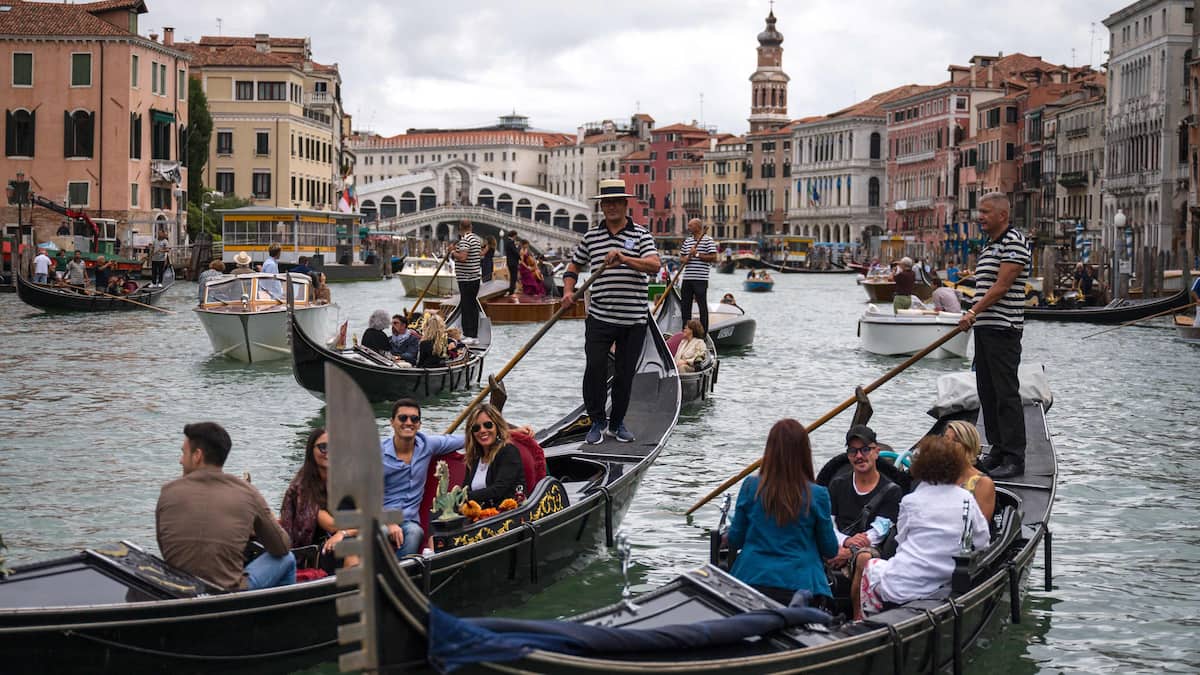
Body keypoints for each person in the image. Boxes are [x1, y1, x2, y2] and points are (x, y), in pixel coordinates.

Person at [561, 178, 660, 445]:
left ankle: (616, 424)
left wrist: (624, 258)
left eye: (616, 202)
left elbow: (654, 265)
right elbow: (573, 267)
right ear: (602, 206)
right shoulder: (591, 237)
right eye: (607, 203)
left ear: (625, 204)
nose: (612, 207)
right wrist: (568, 291)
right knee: (594, 368)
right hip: (600, 316)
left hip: (633, 319)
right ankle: (597, 421)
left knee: (624, 375)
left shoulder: (641, 235)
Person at [858, 435, 989, 618]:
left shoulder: (911, 501)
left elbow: (901, 541)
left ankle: (861, 619)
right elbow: (983, 541)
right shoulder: (966, 498)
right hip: (945, 580)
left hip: (903, 585)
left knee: (870, 566)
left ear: (921, 466)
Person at [156, 422, 295, 591]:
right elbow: (282, 547)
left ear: (197, 455)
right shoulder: (248, 492)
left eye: (183, 453)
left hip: (178, 589)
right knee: (288, 558)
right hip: (228, 592)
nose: (180, 460)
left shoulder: (168, 492)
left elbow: (165, 547)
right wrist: (256, 523)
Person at [726, 419, 839, 607]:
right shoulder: (818, 495)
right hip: (802, 585)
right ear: (804, 452)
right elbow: (830, 549)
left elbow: (735, 539)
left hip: (751, 578)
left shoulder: (750, 486)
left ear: (769, 451)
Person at [957, 192, 1031, 480]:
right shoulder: (989, 245)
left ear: (1003, 215)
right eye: (980, 211)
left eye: (986, 212)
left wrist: (972, 311)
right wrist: (976, 316)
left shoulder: (1014, 241)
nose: (980, 217)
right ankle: (998, 450)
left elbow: (1002, 286)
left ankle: (1014, 457)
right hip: (985, 328)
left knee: (1005, 393)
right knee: (987, 392)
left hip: (1004, 328)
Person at [827, 424, 903, 617]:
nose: (859, 456)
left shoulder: (892, 491)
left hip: (871, 547)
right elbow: (829, 523)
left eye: (865, 450)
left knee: (864, 558)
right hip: (839, 541)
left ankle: (858, 618)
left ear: (876, 452)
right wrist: (843, 542)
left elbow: (880, 531)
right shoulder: (837, 484)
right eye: (853, 451)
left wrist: (850, 549)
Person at [382, 399, 465, 555]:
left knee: (415, 532)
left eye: (414, 419)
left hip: (409, 522)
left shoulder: (427, 445)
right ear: (392, 422)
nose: (409, 422)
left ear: (419, 424)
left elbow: (466, 439)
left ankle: (401, 569)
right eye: (403, 418)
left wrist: (505, 431)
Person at [280, 428, 359, 574]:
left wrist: (344, 533)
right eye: (323, 447)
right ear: (311, 451)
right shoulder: (302, 487)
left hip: (340, 539)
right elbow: (332, 525)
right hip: (311, 551)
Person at [462, 403, 526, 509]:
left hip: (508, 512)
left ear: (497, 426)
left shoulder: (508, 451)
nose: (482, 430)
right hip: (479, 513)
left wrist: (464, 497)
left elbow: (498, 490)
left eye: (488, 425)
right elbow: (465, 489)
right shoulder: (474, 458)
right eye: (476, 428)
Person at [943, 420, 996, 521]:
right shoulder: (935, 473)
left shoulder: (982, 483)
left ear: (968, 446)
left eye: (955, 441)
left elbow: (980, 525)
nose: (948, 444)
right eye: (946, 439)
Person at [679, 218, 717, 332]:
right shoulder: (687, 241)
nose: (688, 227)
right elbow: (681, 257)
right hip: (687, 278)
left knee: (702, 305)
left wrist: (697, 254)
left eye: (690, 225)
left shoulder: (708, 240)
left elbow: (713, 257)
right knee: (685, 305)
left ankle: (703, 331)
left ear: (697, 226)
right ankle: (685, 330)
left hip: (700, 278)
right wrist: (686, 259)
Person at [451, 220, 482, 343]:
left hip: (466, 279)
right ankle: (472, 335)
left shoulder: (465, 240)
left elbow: (463, 257)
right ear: (471, 227)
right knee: (471, 306)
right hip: (474, 278)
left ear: (460, 227)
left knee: (467, 306)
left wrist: (452, 252)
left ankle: (470, 335)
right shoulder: (476, 239)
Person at [504, 229, 521, 295]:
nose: (516, 237)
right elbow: (515, 252)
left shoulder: (507, 242)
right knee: (514, 277)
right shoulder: (511, 242)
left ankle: (511, 289)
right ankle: (511, 290)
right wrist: (518, 247)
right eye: (516, 236)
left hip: (509, 262)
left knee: (512, 276)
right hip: (513, 262)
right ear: (514, 235)